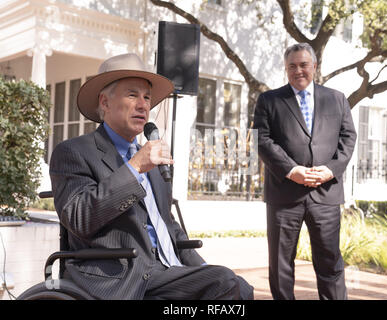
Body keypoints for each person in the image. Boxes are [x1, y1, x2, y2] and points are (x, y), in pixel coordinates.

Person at [49, 53, 254, 300]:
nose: (143, 104)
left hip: (166, 271)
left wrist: (199, 268)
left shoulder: (151, 158)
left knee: (239, 286)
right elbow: (79, 218)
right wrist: (134, 168)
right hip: (120, 276)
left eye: (147, 97)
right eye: (132, 94)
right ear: (104, 102)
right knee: (223, 282)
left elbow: (168, 225)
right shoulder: (74, 152)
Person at [253, 43, 357, 300]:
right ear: (286, 69)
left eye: (303, 65)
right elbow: (262, 140)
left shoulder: (337, 99)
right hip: (284, 196)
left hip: (326, 194)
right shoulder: (269, 100)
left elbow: (348, 137)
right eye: (292, 66)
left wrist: (330, 171)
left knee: (330, 263)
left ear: (314, 67)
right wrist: (291, 170)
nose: (298, 70)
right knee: (281, 266)